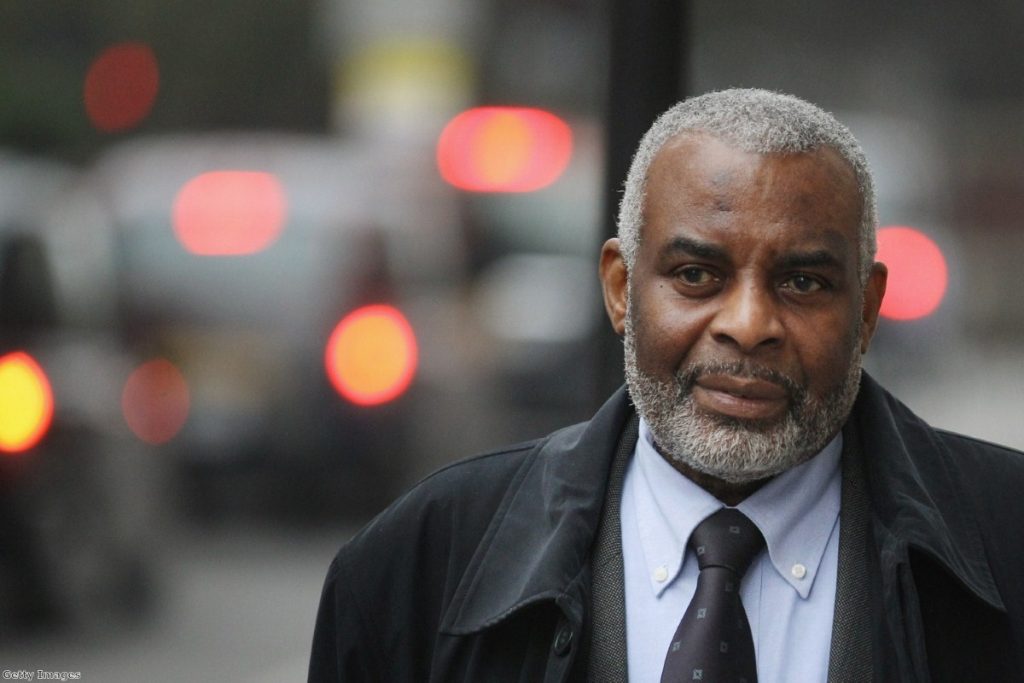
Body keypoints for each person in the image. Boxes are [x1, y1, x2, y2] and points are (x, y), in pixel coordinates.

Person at [308, 89, 1024, 681]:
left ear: (865, 310)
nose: (748, 325)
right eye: (696, 276)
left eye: (802, 282)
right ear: (621, 289)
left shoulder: (1004, 541)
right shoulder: (416, 569)